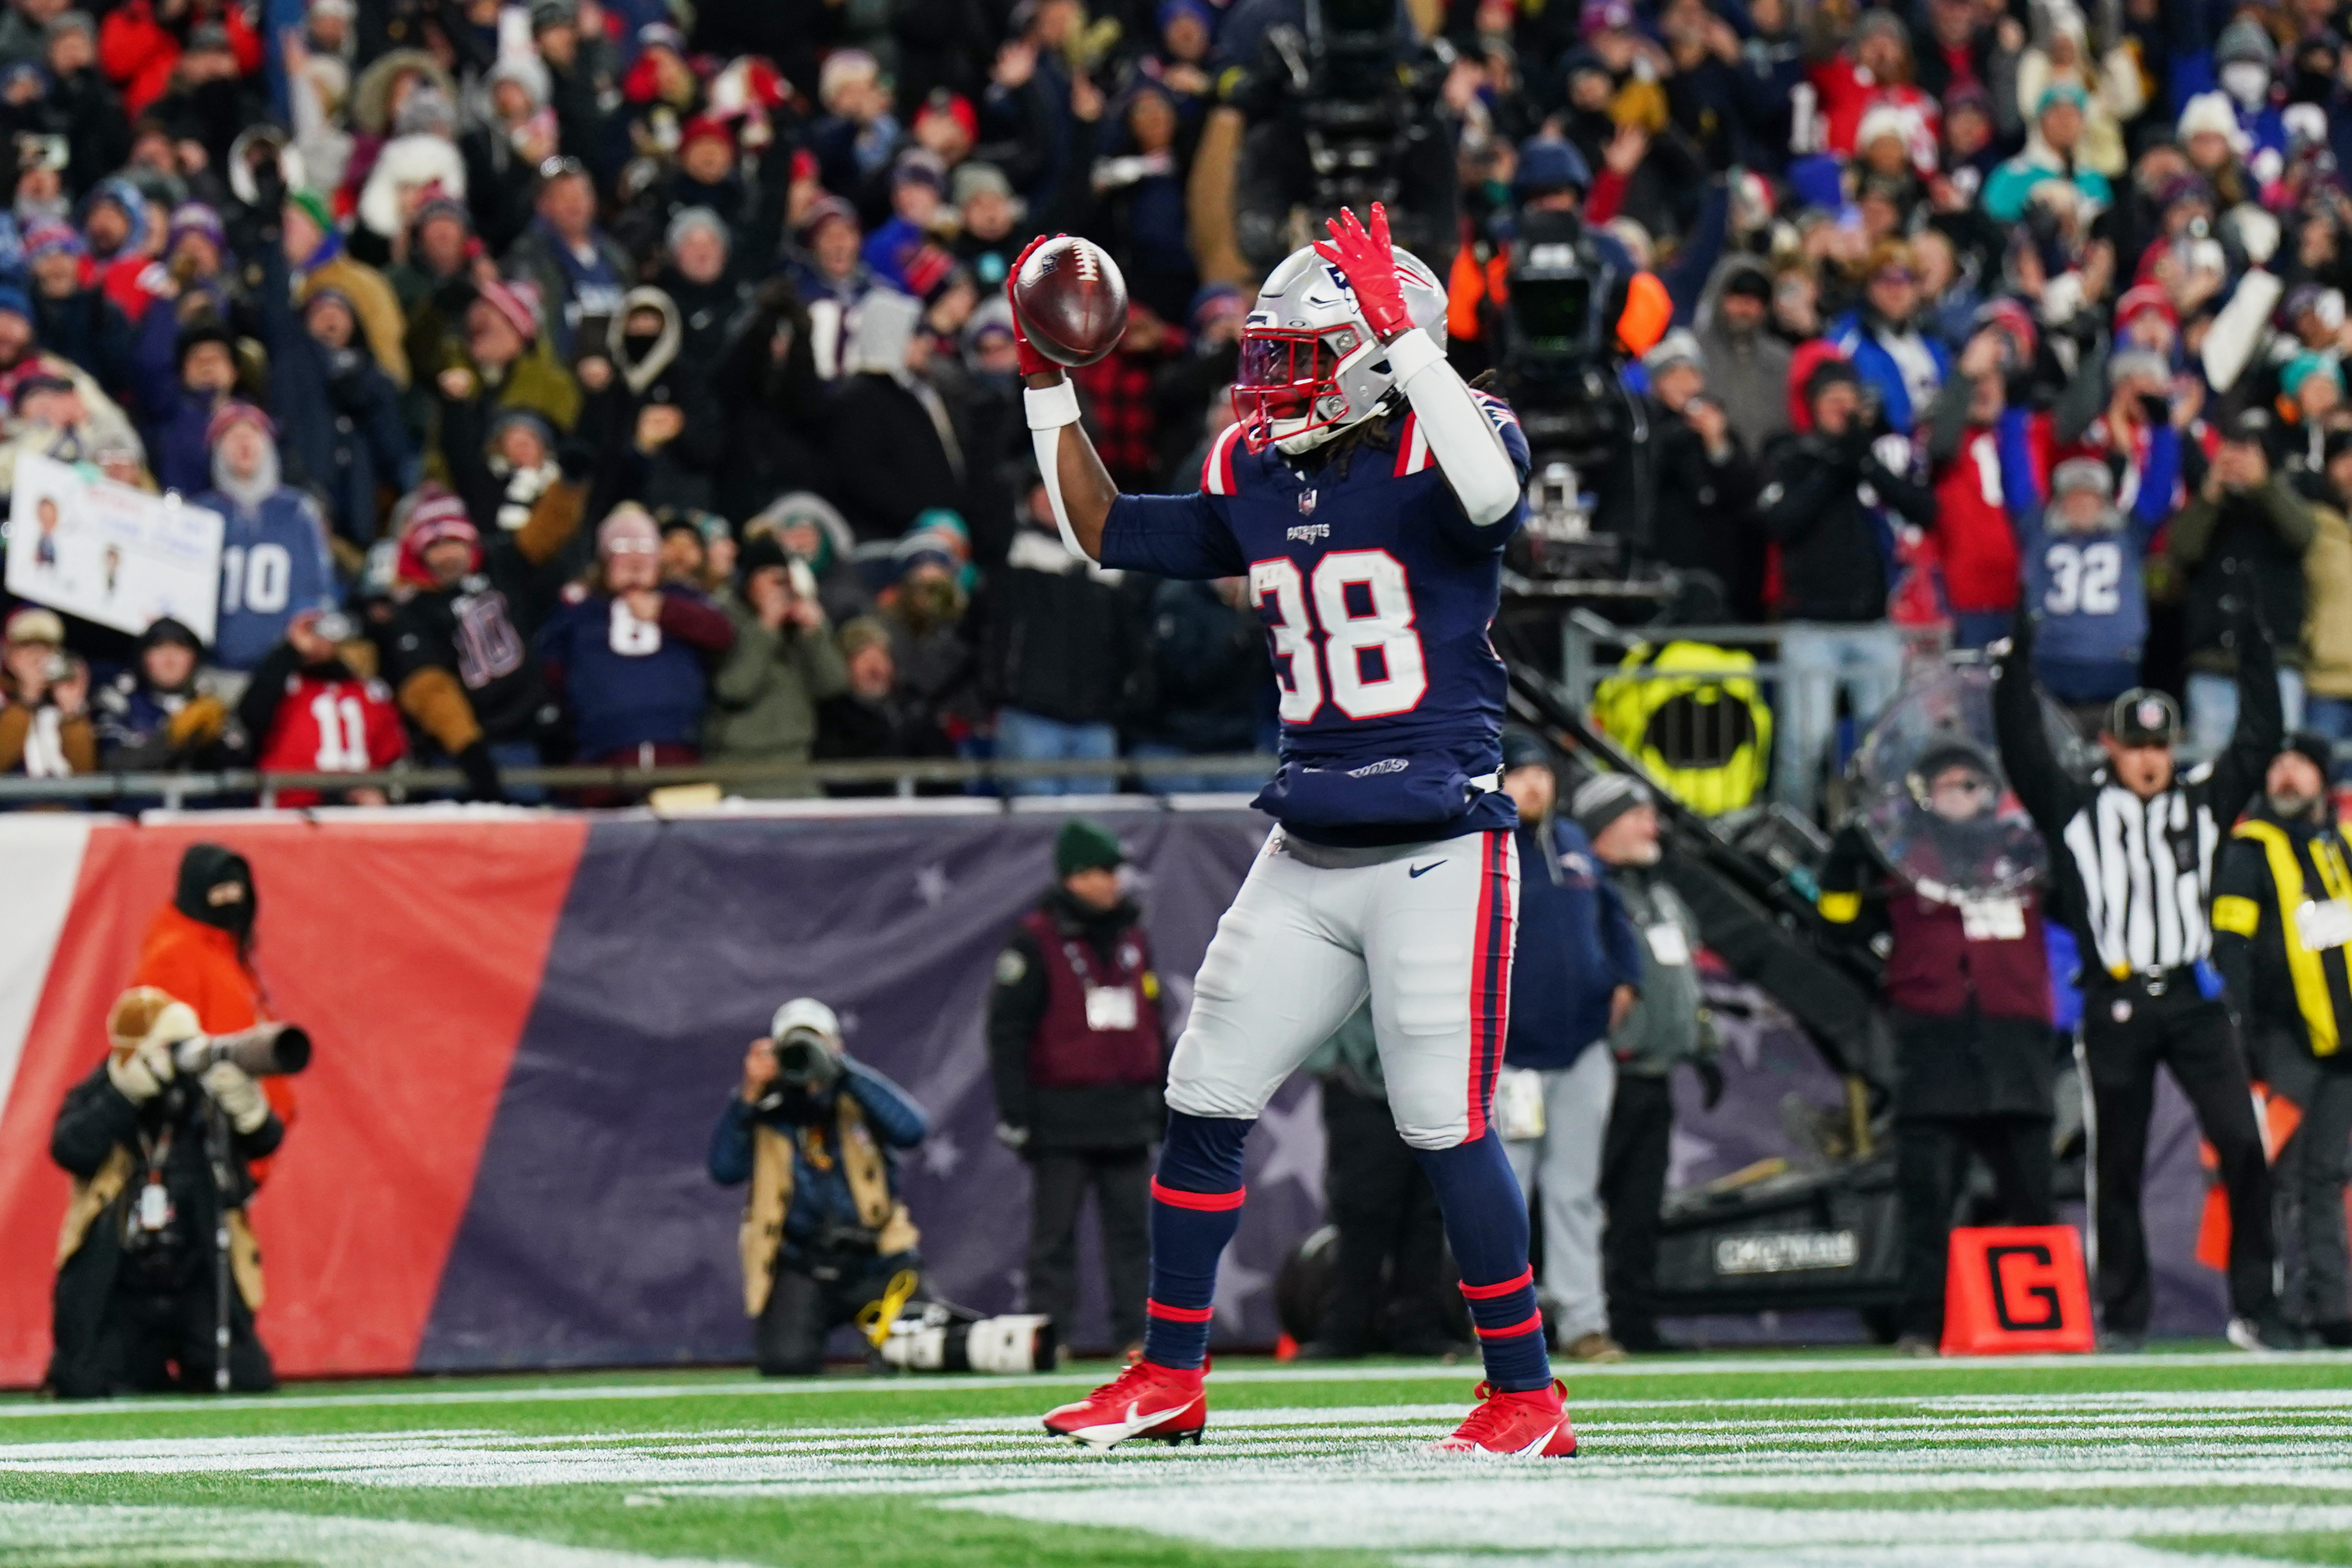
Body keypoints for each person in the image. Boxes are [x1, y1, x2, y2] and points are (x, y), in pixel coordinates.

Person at [1020, 206, 1577, 1455]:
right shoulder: (1256, 471)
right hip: (1311, 840)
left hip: (1438, 837)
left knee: (1442, 1121)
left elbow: (1489, 496)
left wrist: (1408, 341)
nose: (1272, 388)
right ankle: (1168, 1375)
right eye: (1266, 359)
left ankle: (1526, 1393)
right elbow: (1098, 527)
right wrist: (1040, 380)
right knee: (1203, 1093)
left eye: (1299, 358)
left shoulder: (1453, 439)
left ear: (1379, 351)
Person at [1994, 611, 2297, 1351]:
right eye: (2138, 746)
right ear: (2111, 748)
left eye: (2161, 743)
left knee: (2242, 1144)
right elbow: (2023, 751)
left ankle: (2256, 1308)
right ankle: (2124, 1317)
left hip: (2193, 999)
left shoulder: (2199, 802)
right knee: (2116, 1162)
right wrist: (2017, 661)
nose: (2152, 758)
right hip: (2117, 998)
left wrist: (2257, 650)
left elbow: (2256, 742)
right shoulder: (2076, 810)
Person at [1819, 739, 2058, 1354]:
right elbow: (1837, 927)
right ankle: (1922, 1325)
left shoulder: (2024, 856)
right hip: (1933, 1049)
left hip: (2015, 1049)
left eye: (1972, 783)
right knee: (1927, 1204)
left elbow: (2084, 906)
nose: (1963, 794)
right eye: (1949, 784)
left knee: (2033, 1199)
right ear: (1924, 795)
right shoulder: (1903, 864)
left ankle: (2050, 1319)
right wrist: (1845, 861)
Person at [46, 985, 283, 1396]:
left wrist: (250, 1109)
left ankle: (189, 1363)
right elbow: (71, 1148)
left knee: (245, 1378)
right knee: (84, 1380)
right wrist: (123, 1093)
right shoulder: (105, 1086)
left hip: (197, 1269)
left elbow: (263, 1141)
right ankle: (142, 1365)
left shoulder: (202, 1094)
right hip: (120, 1277)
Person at [987, 819, 1168, 1357]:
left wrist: (1158, 1099)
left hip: (1126, 1106)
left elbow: (1153, 1022)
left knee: (1133, 1232)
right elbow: (1008, 1031)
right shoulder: (1036, 939)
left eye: (1115, 871)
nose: (1113, 882)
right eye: (1101, 871)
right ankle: (1053, 1335)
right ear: (1073, 876)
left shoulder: (1134, 935)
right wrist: (1016, 1112)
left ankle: (1136, 1333)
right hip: (1060, 1110)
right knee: (1054, 1235)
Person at [1496, 730, 1644, 1363]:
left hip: (1581, 1047)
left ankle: (1584, 1325)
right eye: (1518, 775)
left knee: (1574, 1191)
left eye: (1541, 774)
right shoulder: (1478, 849)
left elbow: (1613, 917)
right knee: (1505, 1198)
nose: (1533, 785)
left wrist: (1625, 981)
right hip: (1508, 1058)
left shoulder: (1574, 843)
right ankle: (1500, 1329)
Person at [2210, 734, 2352, 1347]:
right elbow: (2230, 948)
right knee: (2279, 1177)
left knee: (2325, 1176)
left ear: (2322, 779)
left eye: (2299, 764)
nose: (2286, 775)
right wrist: (2241, 1033)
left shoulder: (2338, 848)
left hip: (2343, 1045)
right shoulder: (2250, 850)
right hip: (2282, 1041)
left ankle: (2332, 1307)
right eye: (2277, 763)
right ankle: (2276, 1308)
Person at [1575, 774, 1720, 1355]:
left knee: (1638, 1210)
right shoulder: (1585, 893)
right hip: (1601, 1073)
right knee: (1574, 1204)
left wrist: (1702, 1046)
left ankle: (1633, 1321)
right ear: (1602, 829)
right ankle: (1562, 1319)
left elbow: (1684, 978)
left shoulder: (1660, 895)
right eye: (1636, 815)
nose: (1649, 825)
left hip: (1655, 1075)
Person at [708, 997, 926, 1377]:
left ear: (836, 1045)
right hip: (803, 1264)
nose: (803, 1057)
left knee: (926, 1349)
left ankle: (888, 1343)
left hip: (877, 1258)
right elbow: (724, 1170)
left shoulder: (857, 1097)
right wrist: (747, 1095)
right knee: (784, 1363)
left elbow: (912, 1130)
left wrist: (842, 1069)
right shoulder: (766, 1110)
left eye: (814, 1044)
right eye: (794, 1047)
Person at [1758, 355, 1937, 815]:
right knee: (1805, 744)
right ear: (1813, 406)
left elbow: (1924, 510)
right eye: (1831, 400)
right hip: (1811, 627)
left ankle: (1884, 838)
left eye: (1848, 400)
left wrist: (1864, 460)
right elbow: (1780, 522)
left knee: (1885, 746)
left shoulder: (1873, 456)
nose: (1841, 408)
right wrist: (1835, 466)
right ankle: (1792, 842)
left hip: (1873, 625)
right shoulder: (1791, 455)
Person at [193, 402, 340, 673]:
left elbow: (317, 588)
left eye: (253, 433)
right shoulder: (201, 513)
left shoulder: (298, 510)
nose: (244, 442)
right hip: (213, 668)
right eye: (231, 436)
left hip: (283, 671)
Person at [705, 535, 851, 797]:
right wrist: (766, 628)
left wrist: (814, 633)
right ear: (747, 582)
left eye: (784, 579)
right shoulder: (723, 621)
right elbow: (733, 689)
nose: (780, 588)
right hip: (740, 770)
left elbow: (833, 685)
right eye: (771, 579)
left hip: (797, 765)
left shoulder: (796, 628)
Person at [237, 608, 405, 806]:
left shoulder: (371, 694)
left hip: (358, 808)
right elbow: (252, 715)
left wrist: (378, 792)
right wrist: (289, 650)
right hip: (294, 805)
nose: (324, 643)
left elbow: (391, 754)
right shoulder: (288, 686)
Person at [0, 604, 94, 776]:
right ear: (9, 654)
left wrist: (71, 713)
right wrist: (27, 698)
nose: (37, 656)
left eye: (46, 647)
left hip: (64, 798)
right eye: (27, 646)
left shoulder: (62, 700)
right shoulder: (3, 697)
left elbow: (87, 777)